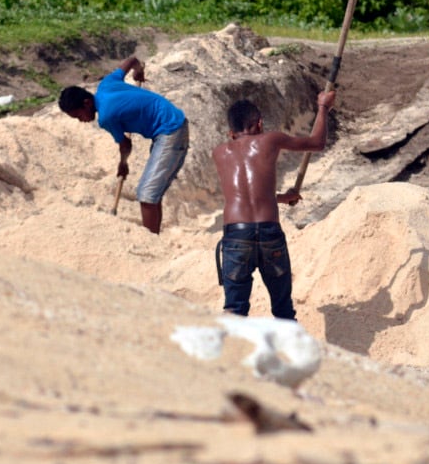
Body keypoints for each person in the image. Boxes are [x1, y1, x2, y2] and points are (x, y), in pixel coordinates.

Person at [212, 90, 336, 320]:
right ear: (259, 123)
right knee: (282, 309)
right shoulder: (270, 139)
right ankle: (291, 353)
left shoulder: (219, 153)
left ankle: (231, 354)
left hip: (236, 236)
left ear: (231, 133)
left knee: (235, 310)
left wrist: (281, 197)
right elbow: (317, 143)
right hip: (268, 232)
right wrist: (323, 108)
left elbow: (244, 195)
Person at [58, 56, 189, 234]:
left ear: (87, 103)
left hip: (170, 130)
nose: (81, 121)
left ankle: (150, 240)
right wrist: (138, 70)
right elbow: (132, 60)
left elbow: (126, 145)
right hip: (169, 124)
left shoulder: (106, 116)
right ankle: (154, 235)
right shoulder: (105, 85)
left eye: (79, 115)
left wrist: (123, 164)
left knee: (147, 194)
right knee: (150, 193)